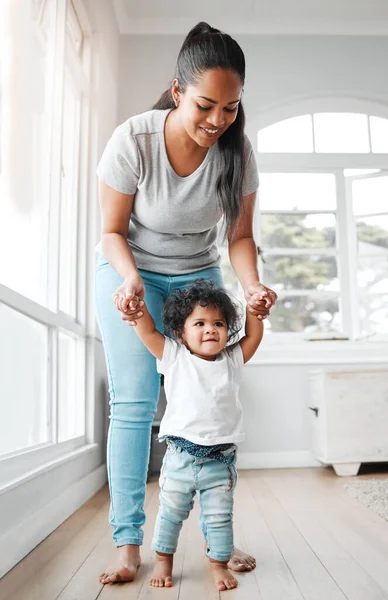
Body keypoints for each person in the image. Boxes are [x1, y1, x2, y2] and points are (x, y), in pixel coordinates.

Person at [95, 21, 277, 585]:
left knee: (213, 393)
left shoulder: (236, 151)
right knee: (135, 403)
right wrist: (128, 281)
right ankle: (129, 543)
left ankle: (218, 537)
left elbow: (239, 238)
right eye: (205, 106)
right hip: (132, 270)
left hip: (200, 274)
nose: (217, 121)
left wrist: (249, 286)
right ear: (178, 91)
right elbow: (111, 231)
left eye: (230, 107)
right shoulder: (135, 139)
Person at [126, 280, 264, 591]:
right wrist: (137, 310)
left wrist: (255, 307)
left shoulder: (232, 359)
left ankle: (217, 563)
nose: (211, 329)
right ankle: (163, 560)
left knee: (219, 518)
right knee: (171, 514)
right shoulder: (174, 356)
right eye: (199, 323)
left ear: (228, 330)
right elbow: (148, 332)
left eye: (219, 323)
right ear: (180, 332)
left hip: (221, 461)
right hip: (180, 459)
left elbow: (253, 334)